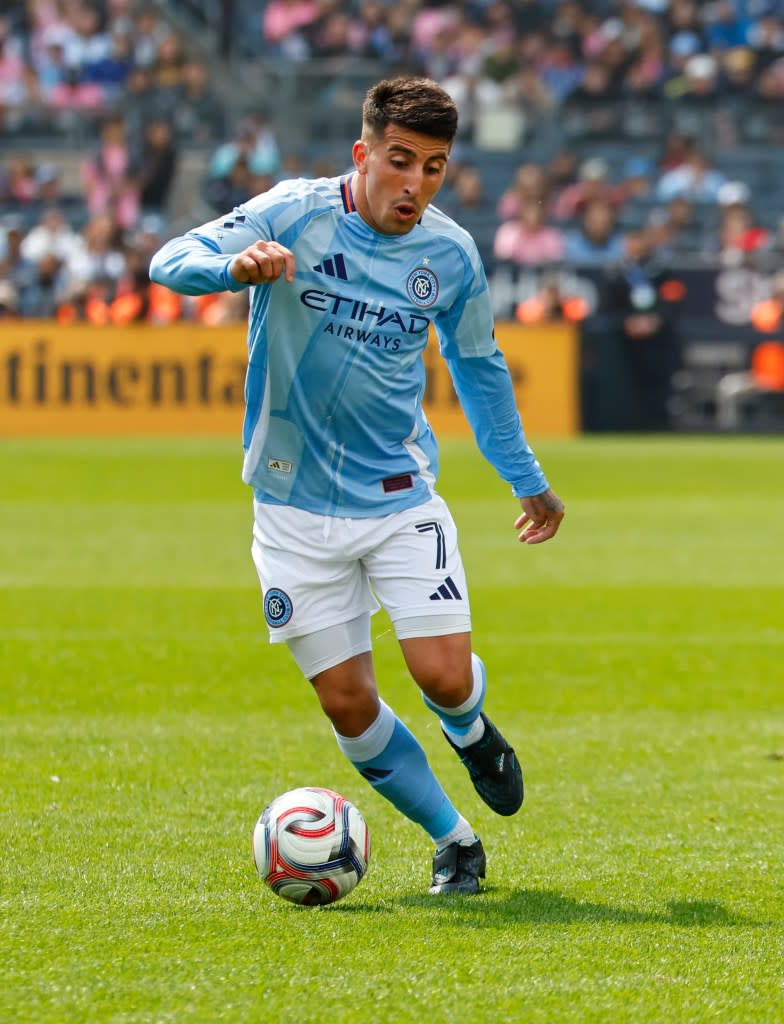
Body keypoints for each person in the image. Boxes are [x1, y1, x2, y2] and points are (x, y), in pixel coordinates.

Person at [150, 76, 565, 896]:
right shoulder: (293, 213)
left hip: (399, 495)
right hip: (291, 505)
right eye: (400, 160)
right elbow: (170, 259)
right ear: (363, 152)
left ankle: (472, 730)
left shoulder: (450, 254)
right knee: (347, 703)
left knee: (442, 676)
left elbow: (480, 370)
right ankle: (455, 842)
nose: (414, 184)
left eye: (435, 168)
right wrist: (235, 267)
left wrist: (527, 481)